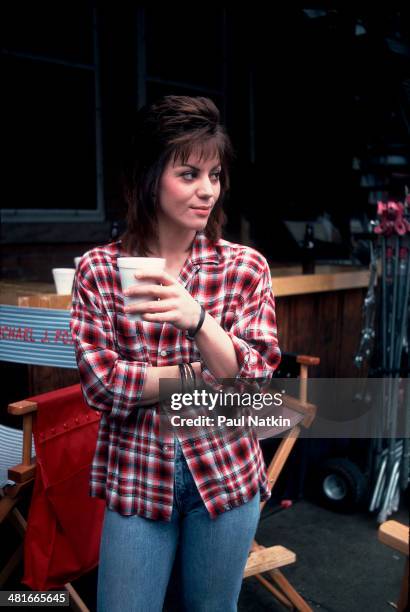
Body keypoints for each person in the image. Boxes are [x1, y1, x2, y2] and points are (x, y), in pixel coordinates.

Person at [70, 95, 281, 612]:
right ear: (148, 177)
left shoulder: (243, 267)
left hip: (227, 470)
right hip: (138, 473)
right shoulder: (99, 269)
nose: (207, 189)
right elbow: (102, 385)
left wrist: (198, 319)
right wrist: (201, 370)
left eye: (215, 175)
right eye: (189, 174)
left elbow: (256, 379)